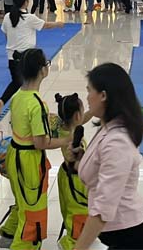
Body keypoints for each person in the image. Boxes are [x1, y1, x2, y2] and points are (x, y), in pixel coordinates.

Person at [0, 49, 77, 250]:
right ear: (43, 70)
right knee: (34, 208)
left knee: (22, 199)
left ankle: (10, 231)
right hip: (29, 161)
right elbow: (40, 143)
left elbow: (20, 126)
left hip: (14, 154)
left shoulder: (17, 96)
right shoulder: (37, 103)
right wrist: (66, 139)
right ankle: (25, 245)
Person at [74, 63, 143, 250]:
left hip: (128, 237)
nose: (87, 97)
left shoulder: (117, 142)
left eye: (89, 91)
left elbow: (103, 208)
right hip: (115, 234)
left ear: (103, 95)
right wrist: (81, 160)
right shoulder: (109, 126)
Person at [0, 0, 64, 115]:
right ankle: (26, 106)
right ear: (26, 2)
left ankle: (4, 100)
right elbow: (45, 25)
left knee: (17, 82)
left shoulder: (7, 17)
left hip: (12, 56)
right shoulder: (29, 18)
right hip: (28, 57)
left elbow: (6, 35)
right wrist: (58, 24)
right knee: (29, 83)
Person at [52, 93, 88, 250]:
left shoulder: (63, 128)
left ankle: (75, 235)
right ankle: (70, 243)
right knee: (79, 211)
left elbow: (83, 118)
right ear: (77, 115)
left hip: (65, 175)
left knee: (69, 209)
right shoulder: (74, 138)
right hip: (76, 180)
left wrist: (94, 112)